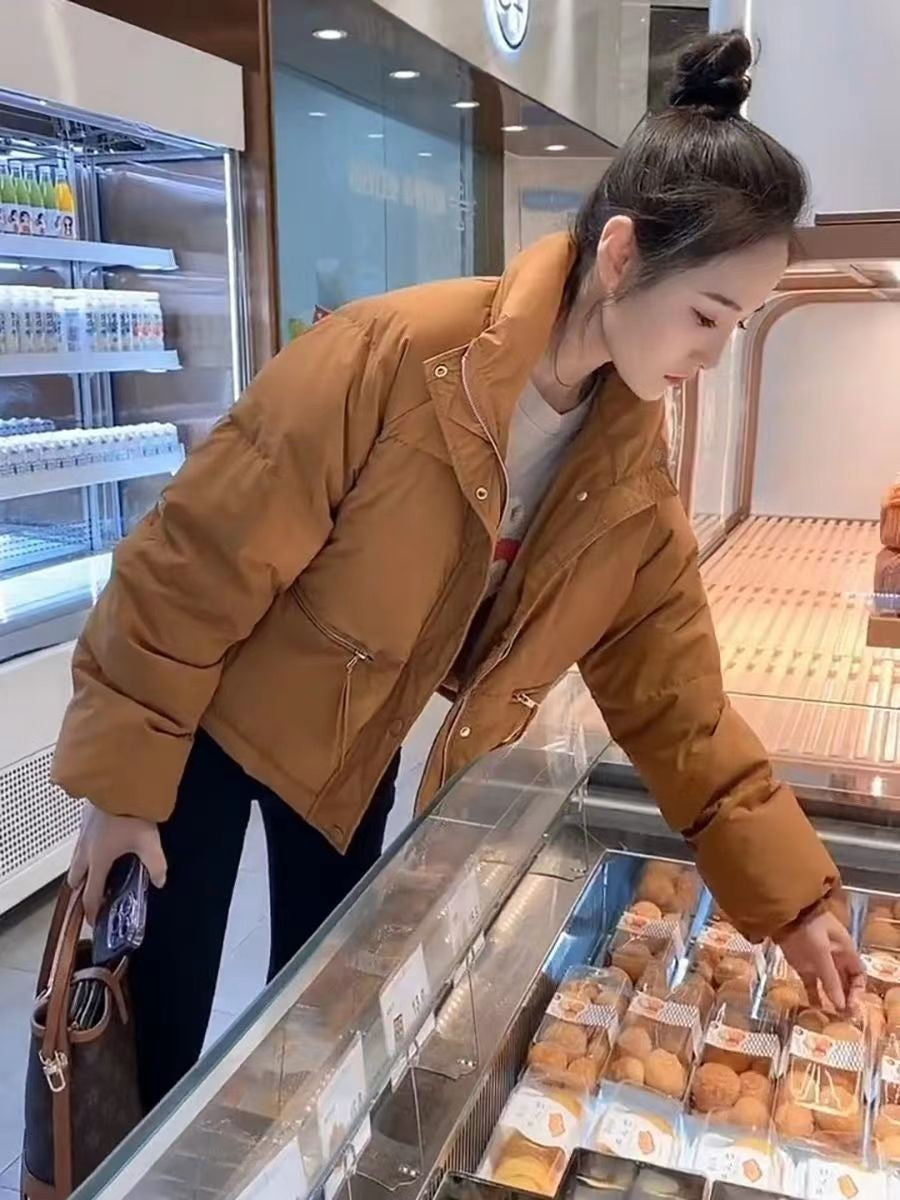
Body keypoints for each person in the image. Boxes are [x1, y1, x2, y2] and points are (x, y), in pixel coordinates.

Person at [55, 30, 863, 1113]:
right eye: (707, 315)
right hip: (203, 731)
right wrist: (121, 786)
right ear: (622, 256)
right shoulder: (395, 355)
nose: (713, 353)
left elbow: (677, 702)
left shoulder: (626, 472)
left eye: (741, 324)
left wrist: (796, 902)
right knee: (152, 1042)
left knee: (318, 1027)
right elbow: (192, 560)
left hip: (354, 754)